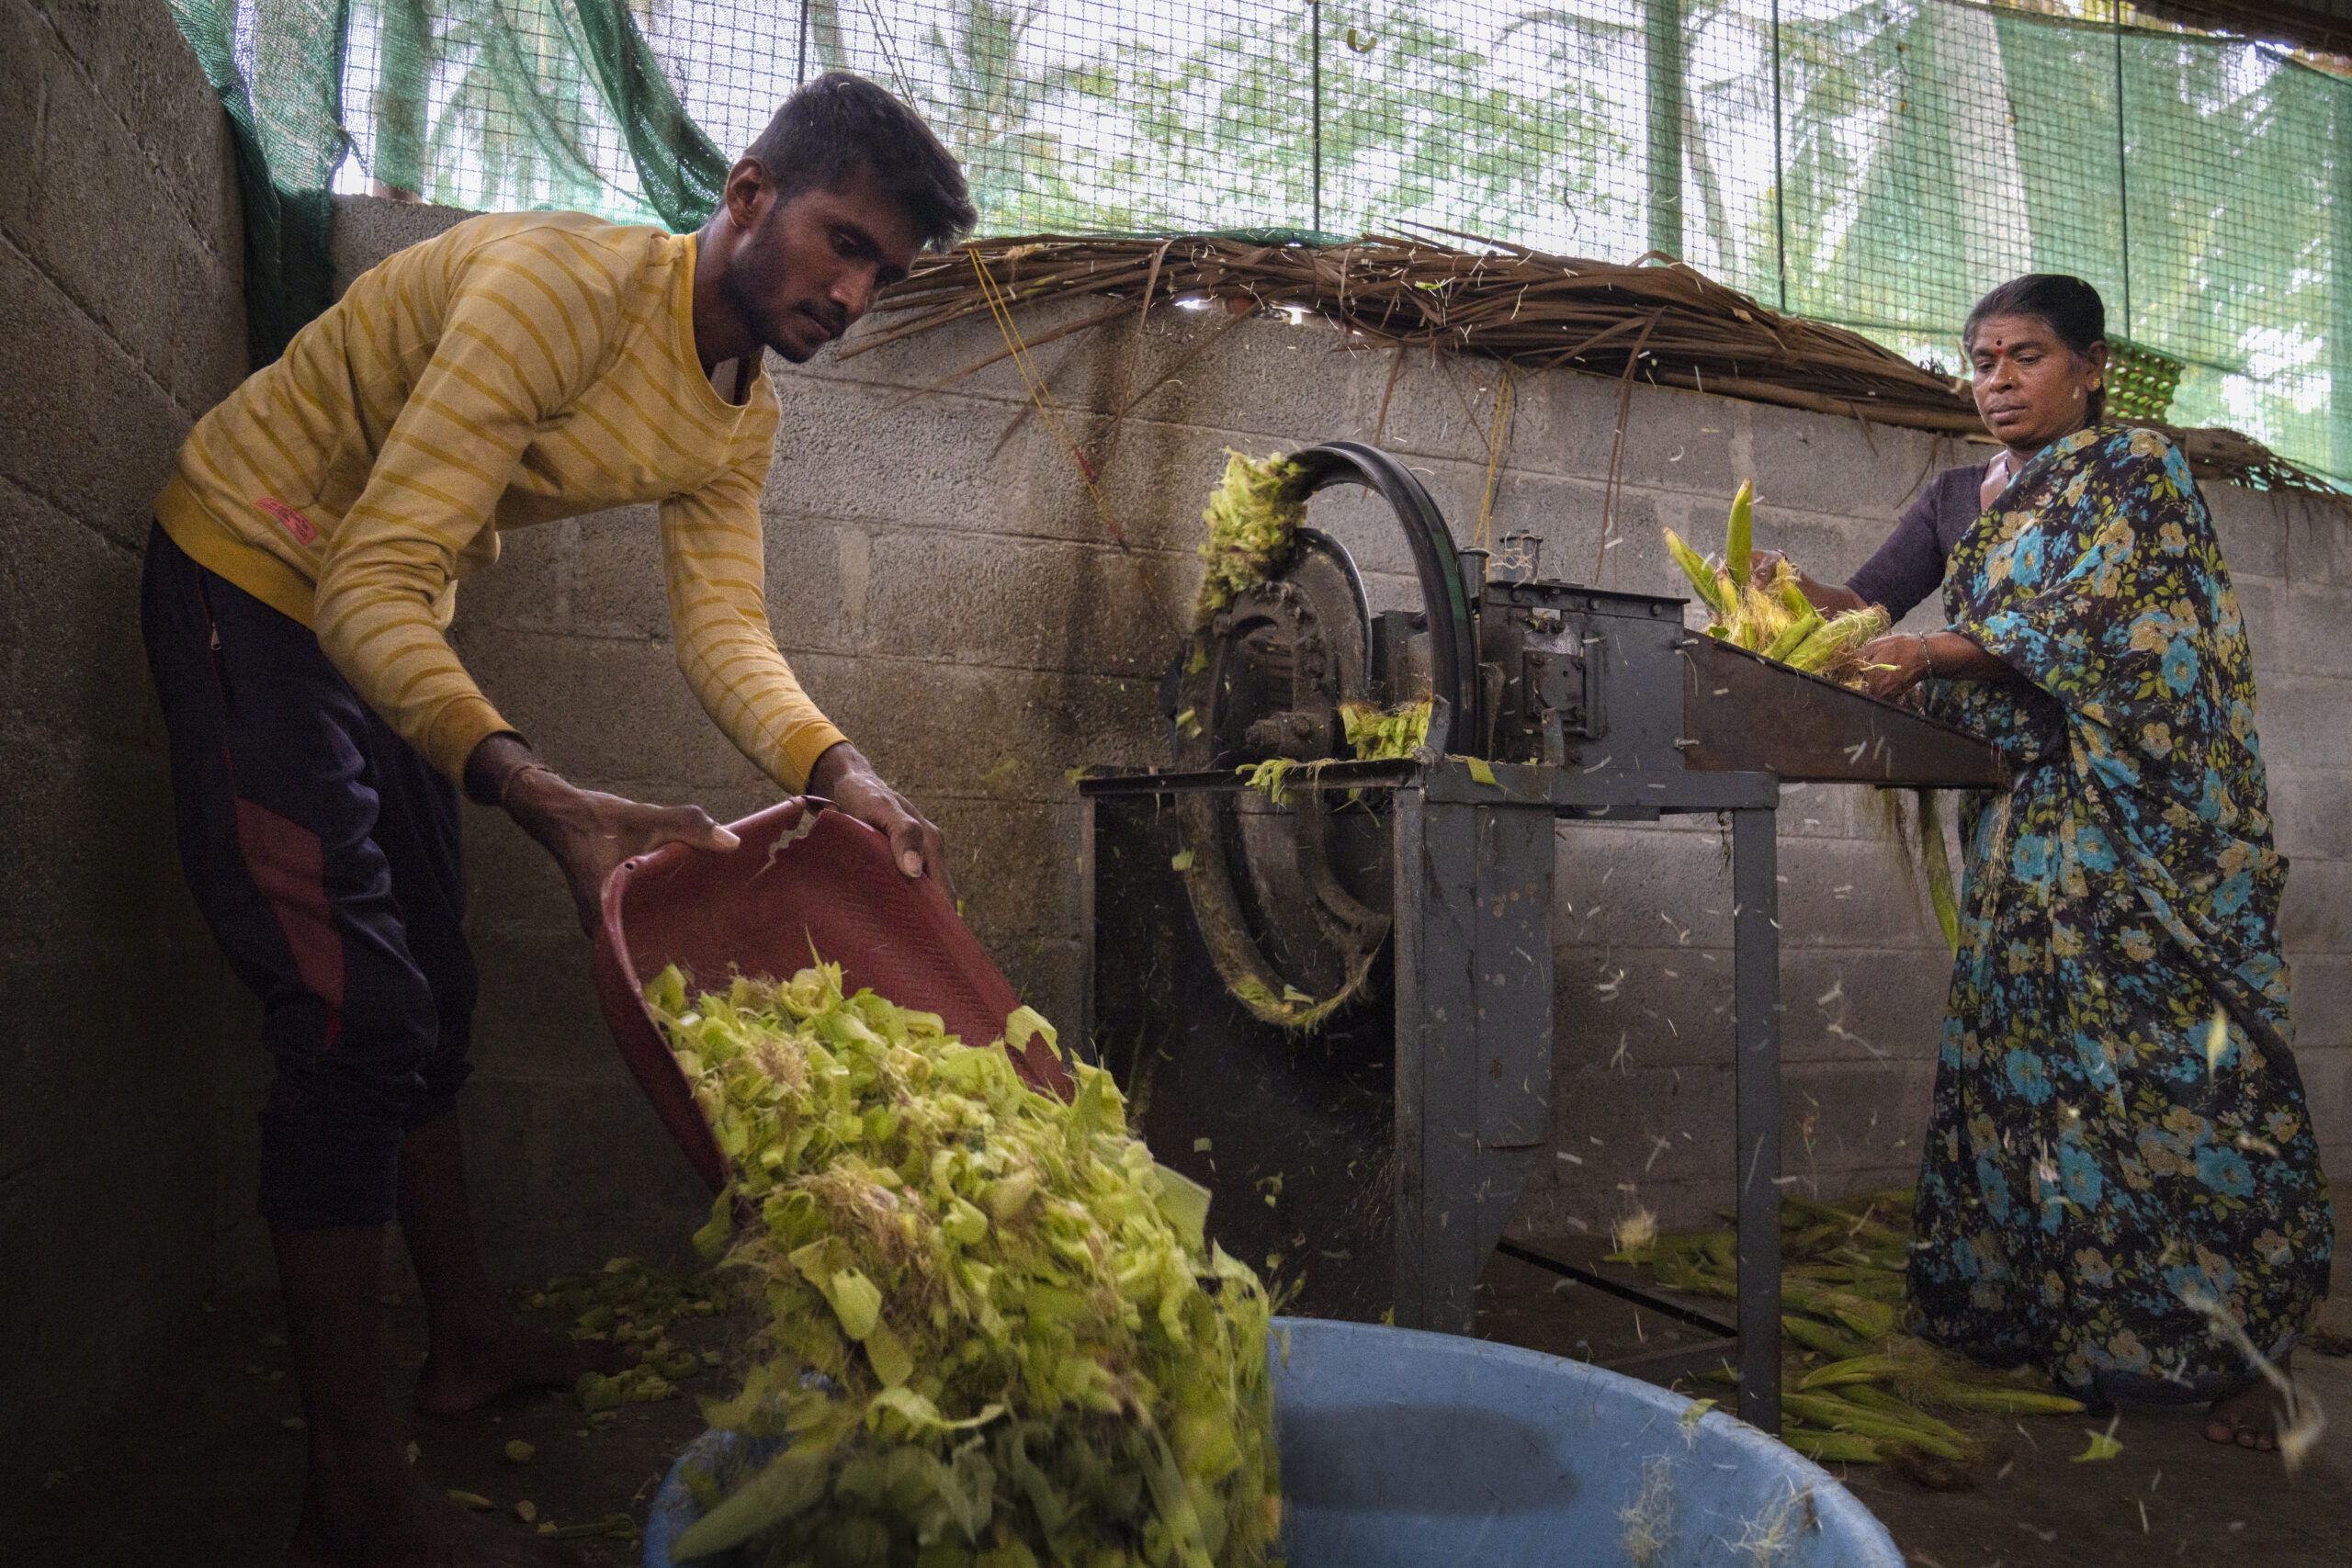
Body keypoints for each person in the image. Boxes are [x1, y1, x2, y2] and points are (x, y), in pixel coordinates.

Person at [141, 73, 974, 1565]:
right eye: (841, 242)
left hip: (378, 613)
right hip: (255, 576)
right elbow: (364, 580)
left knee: (435, 995)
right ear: (745, 197)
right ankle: (354, 1495)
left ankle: (466, 1338)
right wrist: (538, 788)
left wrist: (842, 770)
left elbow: (725, 632)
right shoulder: (556, 291)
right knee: (351, 1019)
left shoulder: (738, 417)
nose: (850, 292)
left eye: (880, 275)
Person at [1764, 275, 2333, 1450]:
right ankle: (2060, 1321)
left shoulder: (2139, 476)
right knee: (2036, 1067)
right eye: (1980, 360)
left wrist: (1931, 649)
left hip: (2142, 836)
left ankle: (2233, 1353)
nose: (1998, 380)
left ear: (2089, 369)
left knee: (2183, 1078)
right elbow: (1869, 613)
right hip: (2028, 837)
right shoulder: (1951, 498)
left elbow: (2107, 622)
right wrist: (1787, 600)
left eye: (2025, 356)